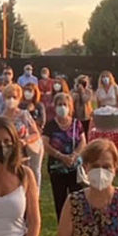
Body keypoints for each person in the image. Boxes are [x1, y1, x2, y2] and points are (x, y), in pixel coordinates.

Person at [43, 92, 87, 220]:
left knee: (77, 199)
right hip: (57, 168)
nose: (62, 107)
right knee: (60, 199)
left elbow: (83, 141)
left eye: (65, 104)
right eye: (59, 104)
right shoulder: (50, 125)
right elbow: (45, 144)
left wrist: (74, 155)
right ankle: (63, 228)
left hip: (74, 167)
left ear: (70, 107)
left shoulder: (76, 124)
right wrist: (61, 156)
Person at [1, 83, 43, 186]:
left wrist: (24, 141)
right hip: (9, 153)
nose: (11, 100)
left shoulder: (24, 114)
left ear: (19, 98)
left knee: (31, 175)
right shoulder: (1, 118)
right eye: (8, 97)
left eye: (14, 97)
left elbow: (35, 133)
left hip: (27, 152)